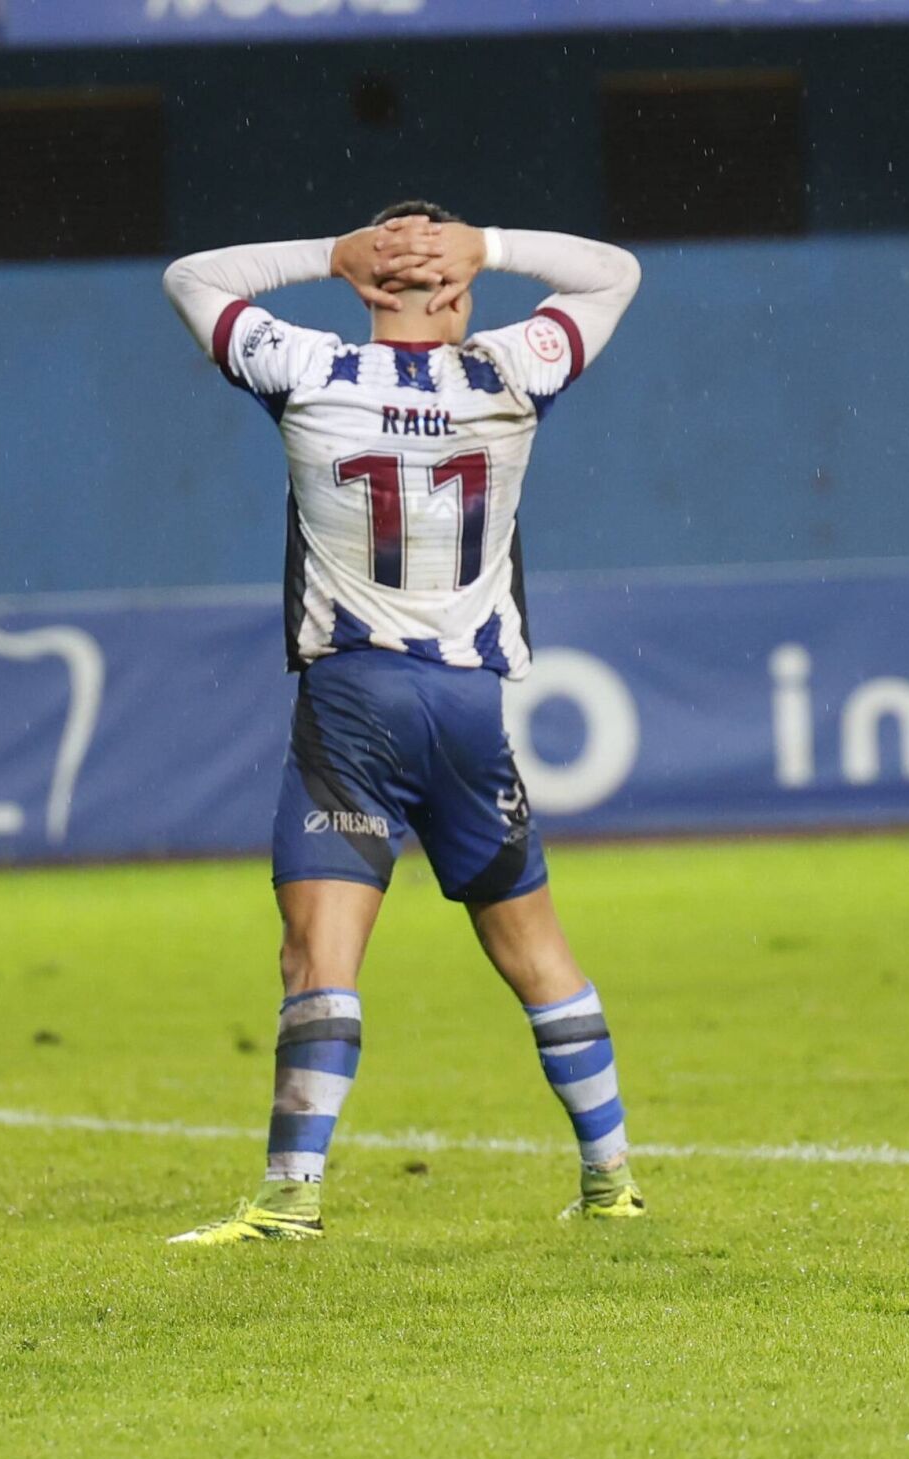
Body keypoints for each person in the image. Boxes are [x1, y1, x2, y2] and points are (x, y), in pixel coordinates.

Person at [160, 203, 644, 1243]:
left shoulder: (310, 370)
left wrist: (324, 254)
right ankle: (611, 1178)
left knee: (318, 959)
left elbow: (192, 276)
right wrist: (495, 247)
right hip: (468, 707)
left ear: (364, 283)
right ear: (460, 290)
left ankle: (291, 1195)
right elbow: (614, 273)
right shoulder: (509, 373)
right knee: (535, 953)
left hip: (354, 703)